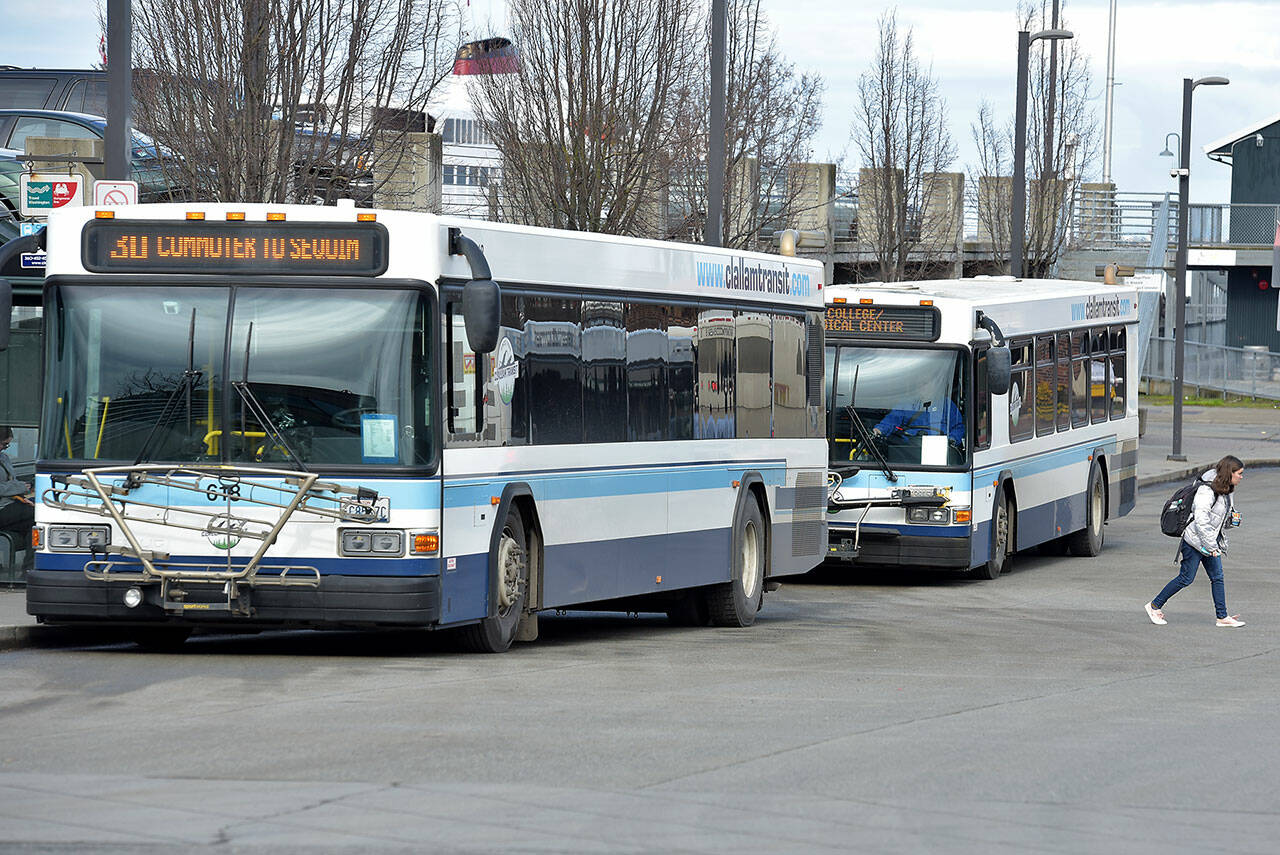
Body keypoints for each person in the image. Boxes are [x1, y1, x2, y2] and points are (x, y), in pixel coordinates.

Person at [1145, 455, 1246, 628]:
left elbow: (1218, 518)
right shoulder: (1207, 490)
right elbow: (1201, 520)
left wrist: (1231, 520)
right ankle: (1154, 606)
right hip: (1193, 542)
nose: (1241, 477)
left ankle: (1222, 617)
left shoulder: (1227, 490)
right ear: (1230, 473)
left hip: (1208, 541)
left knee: (1217, 577)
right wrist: (1212, 546)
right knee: (1186, 578)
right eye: (1239, 473)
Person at [872, 398, 965, 447]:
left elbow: (958, 427)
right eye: (922, 383)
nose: (925, 386)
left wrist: (952, 440)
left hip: (939, 451)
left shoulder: (946, 404)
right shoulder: (906, 403)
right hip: (908, 452)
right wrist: (879, 430)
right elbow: (891, 420)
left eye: (928, 382)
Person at [0, 426, 35, 546]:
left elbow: (12, 481)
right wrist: (20, 487)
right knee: (38, 512)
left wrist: (22, 498)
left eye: (6, 446)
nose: (3, 448)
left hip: (10, 503)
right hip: (2, 507)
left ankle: (30, 563)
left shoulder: (4, 458)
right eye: (3, 444)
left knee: (35, 524)